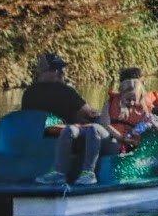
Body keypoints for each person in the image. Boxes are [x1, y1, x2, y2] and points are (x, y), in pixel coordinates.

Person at [17, 52, 108, 185]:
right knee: (94, 129)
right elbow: (91, 114)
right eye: (57, 70)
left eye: (61, 70)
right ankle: (87, 173)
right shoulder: (65, 91)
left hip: (36, 141)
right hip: (60, 140)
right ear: (46, 71)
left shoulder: (28, 93)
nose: (61, 73)